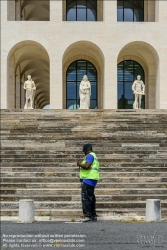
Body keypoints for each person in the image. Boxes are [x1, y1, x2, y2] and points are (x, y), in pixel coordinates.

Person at [77, 144, 100, 222]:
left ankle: (88, 216)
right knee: (91, 198)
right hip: (92, 179)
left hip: (88, 179)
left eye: (84, 150)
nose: (84, 152)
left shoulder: (90, 155)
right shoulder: (94, 155)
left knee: (85, 198)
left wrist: (79, 164)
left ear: (87, 149)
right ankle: (93, 215)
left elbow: (87, 166)